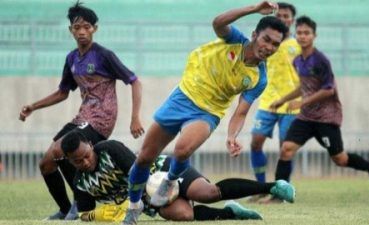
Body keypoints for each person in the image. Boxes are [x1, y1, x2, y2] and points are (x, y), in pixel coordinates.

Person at [124, 2, 288, 224]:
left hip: (208, 112)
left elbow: (241, 112)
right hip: (182, 97)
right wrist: (254, 8)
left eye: (275, 44)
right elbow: (218, 22)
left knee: (182, 151)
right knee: (144, 157)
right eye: (266, 39)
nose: (269, 47)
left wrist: (232, 135)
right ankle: (134, 206)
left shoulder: (260, 78)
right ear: (255, 35)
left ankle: (170, 180)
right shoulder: (235, 40)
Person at [18, 1, 144, 220]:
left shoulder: (104, 55)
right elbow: (63, 92)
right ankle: (67, 209)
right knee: (46, 163)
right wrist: (34, 106)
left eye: (87, 27)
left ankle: (79, 201)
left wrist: (135, 118)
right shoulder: (72, 59)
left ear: (95, 28)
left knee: (60, 151)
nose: (82, 32)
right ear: (70, 30)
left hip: (101, 118)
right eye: (77, 28)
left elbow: (135, 81)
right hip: (82, 117)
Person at [60, 131, 295, 222]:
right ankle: (230, 212)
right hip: (149, 200)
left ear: (91, 145)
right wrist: (104, 215)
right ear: (70, 161)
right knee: (183, 214)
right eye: (77, 161)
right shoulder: (80, 183)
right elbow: (85, 214)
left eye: (87, 155)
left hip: (163, 171)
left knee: (208, 193)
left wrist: (130, 204)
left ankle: (272, 187)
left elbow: (138, 172)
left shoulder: (109, 149)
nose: (85, 162)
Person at [270, 16, 369, 192]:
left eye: (306, 33)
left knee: (340, 159)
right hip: (306, 117)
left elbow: (328, 89)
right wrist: (282, 100)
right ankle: (278, 193)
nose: (302, 36)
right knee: (286, 149)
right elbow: (304, 86)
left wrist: (302, 102)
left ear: (314, 35)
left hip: (326, 118)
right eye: (299, 32)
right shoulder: (298, 61)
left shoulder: (321, 60)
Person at [248, 2, 300, 202]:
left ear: (292, 20)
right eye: (280, 15)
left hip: (292, 106)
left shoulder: (298, 46)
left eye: (287, 16)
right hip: (268, 103)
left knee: (285, 149)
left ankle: (280, 192)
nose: (283, 18)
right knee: (255, 143)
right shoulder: (266, 44)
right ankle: (261, 187)